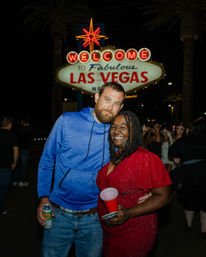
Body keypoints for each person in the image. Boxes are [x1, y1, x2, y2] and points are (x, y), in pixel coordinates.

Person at [37, 82, 125, 257]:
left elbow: (129, 167)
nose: (110, 107)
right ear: (96, 97)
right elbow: (47, 159)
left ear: (121, 107)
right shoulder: (67, 121)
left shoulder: (117, 133)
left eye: (116, 103)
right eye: (107, 99)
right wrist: (43, 196)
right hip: (58, 213)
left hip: (95, 216)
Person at [96, 111, 172, 257]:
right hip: (109, 230)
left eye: (123, 127)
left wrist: (129, 212)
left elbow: (163, 196)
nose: (116, 131)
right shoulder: (114, 156)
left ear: (134, 131)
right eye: (114, 126)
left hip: (134, 230)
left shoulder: (146, 158)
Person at [169, 117, 206, 240]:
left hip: (189, 175)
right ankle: (203, 231)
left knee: (189, 201)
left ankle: (189, 227)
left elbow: (176, 159)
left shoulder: (182, 141)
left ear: (191, 129)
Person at [0, 115, 19, 215]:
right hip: (6, 165)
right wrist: (14, 163)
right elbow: (15, 150)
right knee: (3, 189)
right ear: (9, 124)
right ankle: (1, 208)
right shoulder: (12, 135)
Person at [12, 117, 32, 187]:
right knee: (23, 166)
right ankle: (21, 181)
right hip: (24, 149)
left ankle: (15, 181)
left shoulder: (15, 128)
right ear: (23, 122)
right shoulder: (25, 129)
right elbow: (29, 136)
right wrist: (27, 127)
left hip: (17, 148)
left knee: (17, 165)